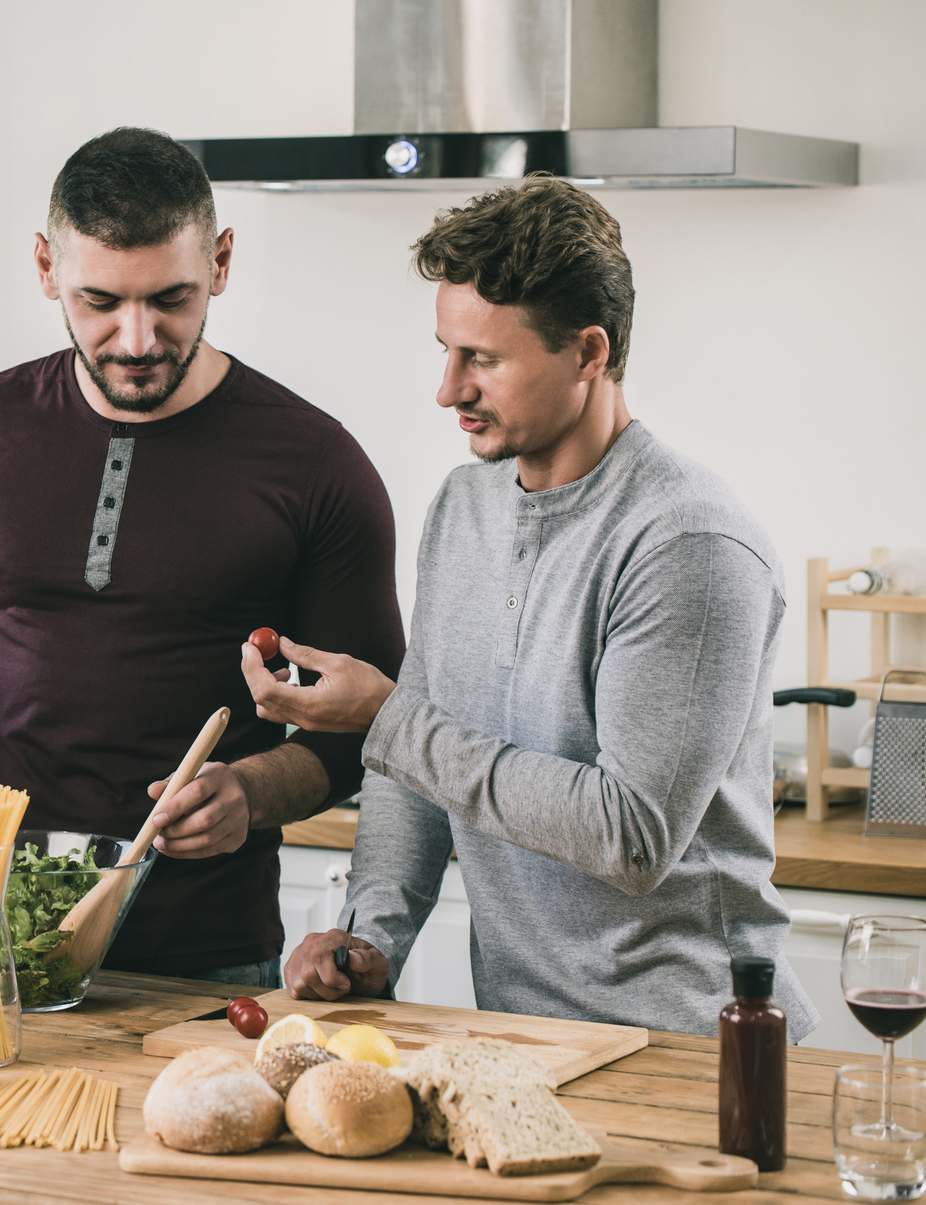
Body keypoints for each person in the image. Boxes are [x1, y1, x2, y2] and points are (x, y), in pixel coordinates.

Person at [0, 128, 406, 985]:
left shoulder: (316, 464)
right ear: (45, 268)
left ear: (222, 263)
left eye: (169, 298)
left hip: (207, 961)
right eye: (101, 302)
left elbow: (370, 729)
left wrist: (250, 792)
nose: (136, 339)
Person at [249, 179, 818, 1038]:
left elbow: (631, 836)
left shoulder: (686, 543)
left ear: (588, 353)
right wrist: (370, 935)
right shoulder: (462, 508)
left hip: (690, 1045)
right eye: (444, 349)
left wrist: (388, 717)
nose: (447, 389)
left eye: (482, 358)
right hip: (524, 1038)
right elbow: (418, 768)